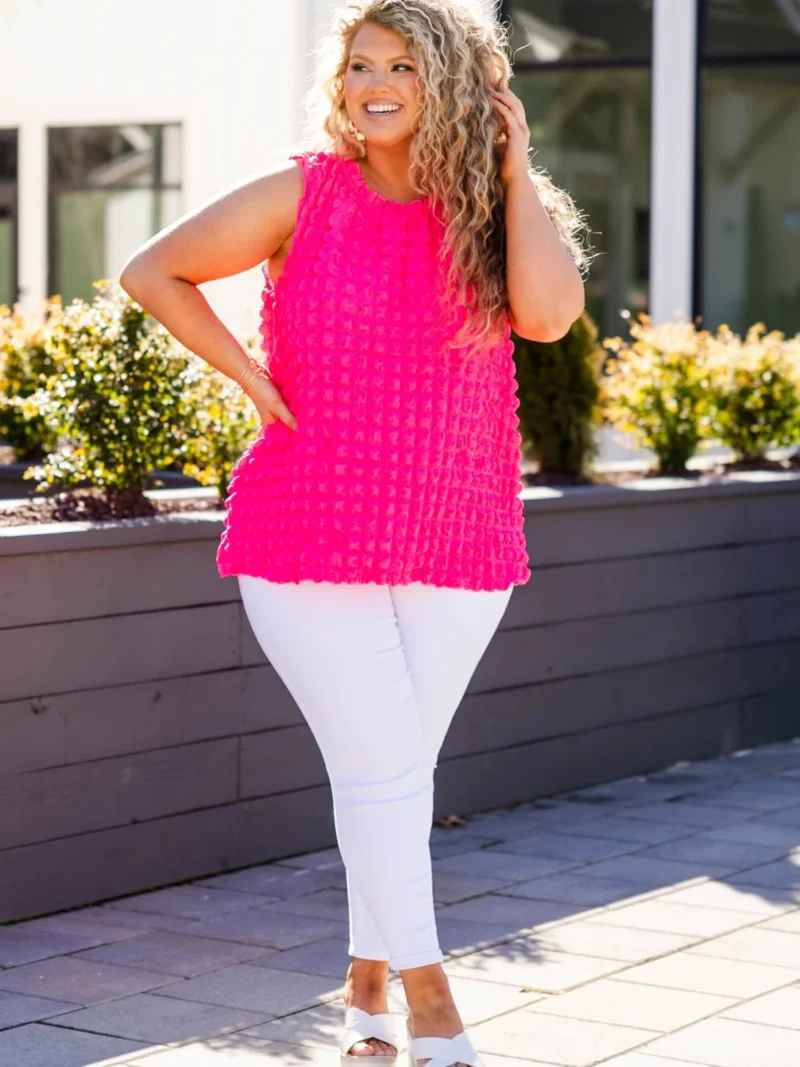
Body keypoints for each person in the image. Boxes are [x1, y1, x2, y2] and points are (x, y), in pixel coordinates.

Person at [120, 2, 586, 1064]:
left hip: (458, 532)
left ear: (453, 85)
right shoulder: (305, 191)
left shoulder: (488, 211)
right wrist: (249, 376)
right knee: (384, 771)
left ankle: (364, 979)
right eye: (359, 65)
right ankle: (431, 997)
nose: (373, 84)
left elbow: (550, 316)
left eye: (401, 67)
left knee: (395, 774)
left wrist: (514, 171)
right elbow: (153, 269)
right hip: (308, 530)